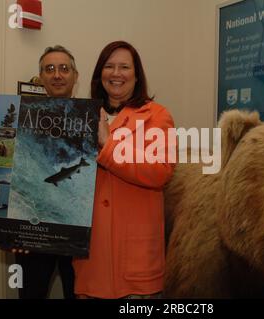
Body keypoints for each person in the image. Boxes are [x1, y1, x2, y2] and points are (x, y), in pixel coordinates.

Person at [73, 41, 176, 298]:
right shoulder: (80, 115)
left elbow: (160, 170)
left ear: (136, 74)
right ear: (100, 73)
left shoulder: (157, 116)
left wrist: (108, 145)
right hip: (91, 257)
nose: (116, 73)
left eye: (124, 67)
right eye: (109, 66)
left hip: (135, 263)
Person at [0, 45, 79, 299]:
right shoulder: (18, 114)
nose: (57, 74)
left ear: (75, 76)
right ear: (41, 77)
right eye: (50, 69)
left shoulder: (90, 118)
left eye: (64, 68)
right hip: (31, 230)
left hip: (77, 235)